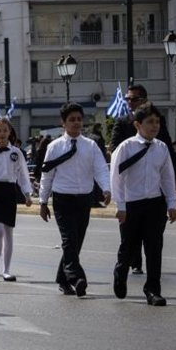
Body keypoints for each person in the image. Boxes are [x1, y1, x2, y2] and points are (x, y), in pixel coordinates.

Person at [39, 103, 111, 297]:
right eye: (72, 120)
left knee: (76, 242)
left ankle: (62, 278)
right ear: (63, 123)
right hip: (63, 198)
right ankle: (77, 277)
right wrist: (43, 202)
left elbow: (100, 169)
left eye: (79, 119)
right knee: (69, 240)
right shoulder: (54, 147)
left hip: (84, 199)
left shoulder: (90, 146)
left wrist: (106, 188)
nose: (76, 123)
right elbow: (47, 175)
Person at [110, 103, 176, 306]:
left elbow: (167, 177)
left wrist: (171, 203)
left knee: (154, 248)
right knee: (128, 247)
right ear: (138, 125)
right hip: (131, 205)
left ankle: (152, 290)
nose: (154, 126)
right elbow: (116, 178)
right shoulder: (126, 147)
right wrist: (120, 205)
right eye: (150, 122)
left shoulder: (161, 148)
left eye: (157, 121)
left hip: (155, 205)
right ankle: (120, 273)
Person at [0, 117, 33, 282]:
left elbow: (23, 174)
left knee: (8, 231)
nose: (2, 133)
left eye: (5, 130)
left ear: (10, 132)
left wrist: (27, 194)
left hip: (10, 191)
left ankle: (7, 270)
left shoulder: (16, 153)